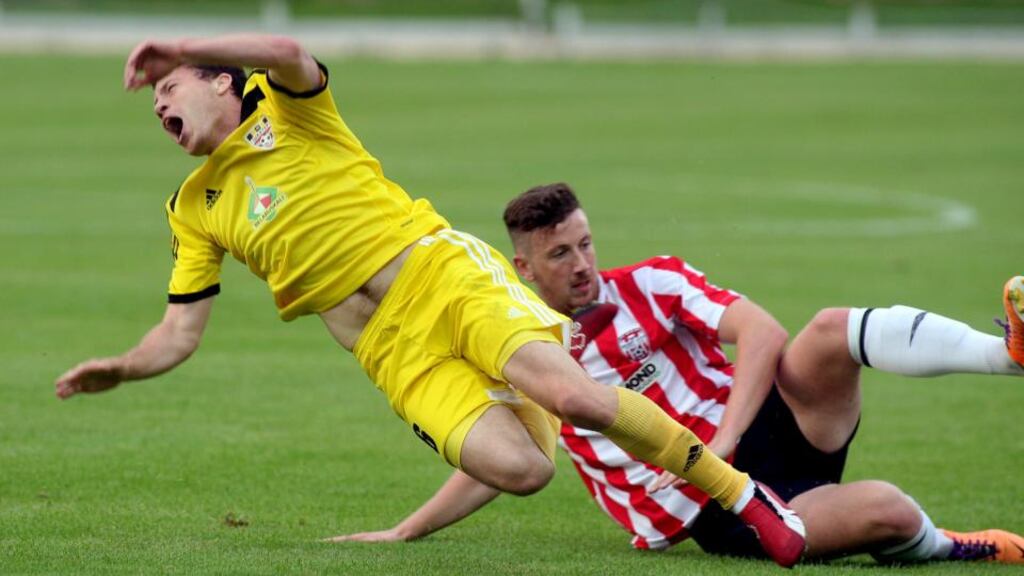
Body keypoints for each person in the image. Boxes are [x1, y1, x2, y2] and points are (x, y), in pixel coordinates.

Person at [52, 36, 807, 567]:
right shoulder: (192, 206)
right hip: (389, 353)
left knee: (571, 396)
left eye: (169, 87)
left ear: (222, 80)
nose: (157, 104)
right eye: (153, 96)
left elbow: (284, 47)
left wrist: (180, 38)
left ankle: (741, 495)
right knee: (524, 469)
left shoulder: (293, 114)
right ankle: (523, 380)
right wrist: (124, 367)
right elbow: (179, 332)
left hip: (444, 275)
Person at [335, 182, 1024, 566]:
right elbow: (505, 455)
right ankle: (948, 547)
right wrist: (408, 531)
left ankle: (1007, 354)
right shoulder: (526, 346)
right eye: (559, 255)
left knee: (825, 329)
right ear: (523, 270)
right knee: (890, 510)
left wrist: (724, 440)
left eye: (585, 243)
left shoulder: (653, 283)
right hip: (709, 510)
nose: (581, 264)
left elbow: (762, 332)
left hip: (763, 433)